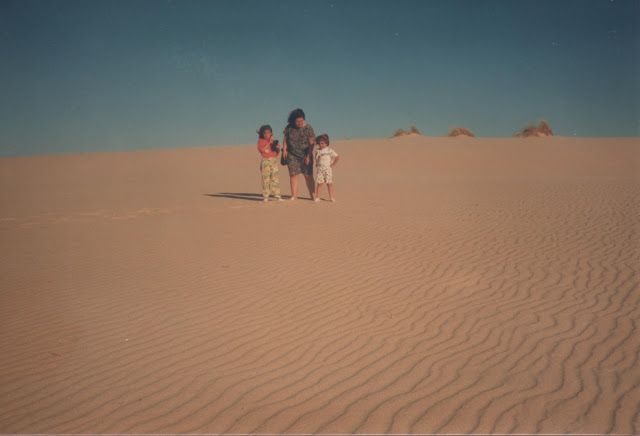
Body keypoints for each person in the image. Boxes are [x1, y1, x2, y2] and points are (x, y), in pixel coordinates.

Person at [282, 108, 315, 200]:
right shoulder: (289, 127)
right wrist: (284, 150)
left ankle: (313, 196)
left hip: (305, 154)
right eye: (297, 121)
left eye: (301, 120)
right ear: (293, 120)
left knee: (308, 175)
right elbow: (285, 138)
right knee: (293, 175)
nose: (300, 123)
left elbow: (312, 143)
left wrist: (308, 156)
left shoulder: (308, 128)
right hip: (292, 155)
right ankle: (294, 196)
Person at [256, 124, 283, 202]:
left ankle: (277, 195)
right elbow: (262, 150)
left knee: (275, 178)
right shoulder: (261, 141)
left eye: (269, 132)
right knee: (266, 179)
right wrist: (269, 142)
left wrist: (277, 147)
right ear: (262, 134)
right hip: (265, 161)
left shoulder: (273, 141)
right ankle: (266, 196)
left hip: (273, 161)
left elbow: (276, 153)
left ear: (271, 133)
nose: (267, 134)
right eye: (265, 133)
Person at [313, 134, 339, 202]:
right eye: (320, 143)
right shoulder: (317, 151)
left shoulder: (330, 150)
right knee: (319, 183)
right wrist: (317, 162)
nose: (321, 145)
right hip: (320, 169)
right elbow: (316, 158)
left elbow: (337, 157)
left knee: (329, 183)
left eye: (323, 143)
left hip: (328, 169)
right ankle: (317, 197)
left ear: (327, 143)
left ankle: (331, 197)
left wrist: (333, 164)